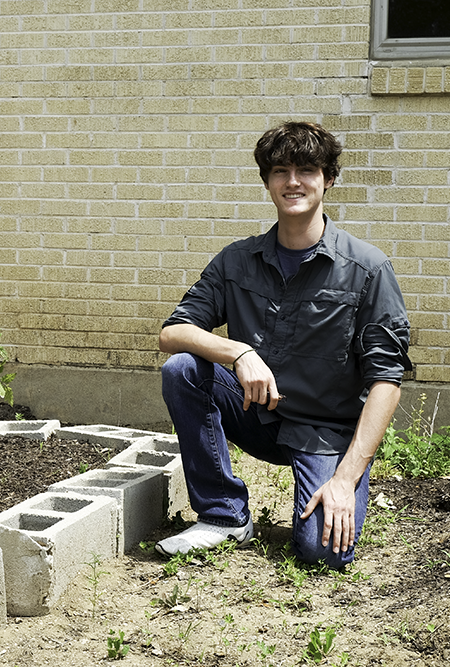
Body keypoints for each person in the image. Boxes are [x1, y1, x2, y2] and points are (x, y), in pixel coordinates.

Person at [156, 121, 411, 569]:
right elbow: (172, 333)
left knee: (323, 552)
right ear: (267, 181)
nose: (293, 181)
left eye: (307, 169)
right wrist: (239, 352)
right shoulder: (237, 261)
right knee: (182, 369)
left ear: (328, 179)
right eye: (280, 171)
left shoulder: (367, 269)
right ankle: (223, 516)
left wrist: (345, 479)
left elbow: (387, 381)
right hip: (257, 412)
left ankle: (326, 487)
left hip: (324, 430)